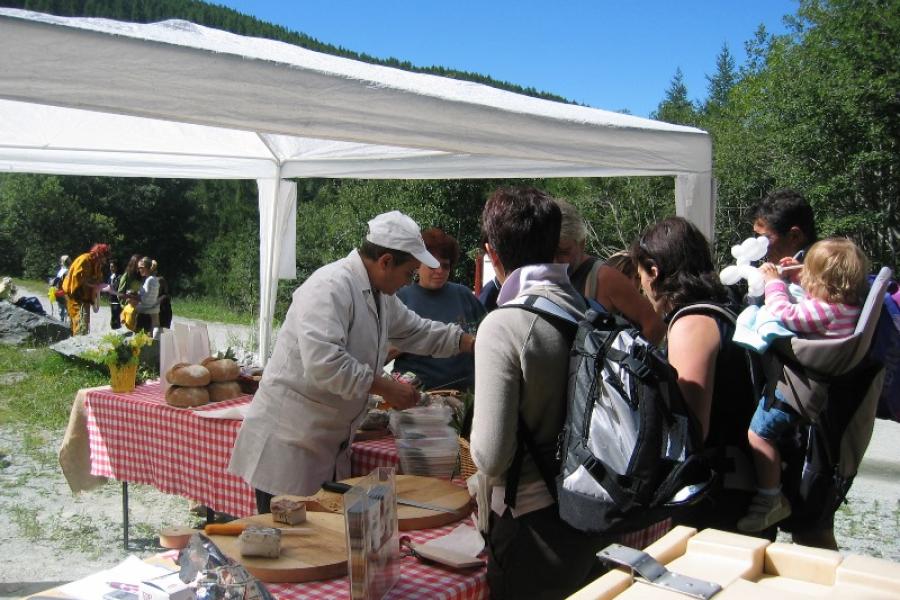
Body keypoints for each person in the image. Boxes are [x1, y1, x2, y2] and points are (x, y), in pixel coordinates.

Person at [228, 211, 475, 512]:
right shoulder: (329, 286)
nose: (409, 281)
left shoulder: (381, 294)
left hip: (325, 446)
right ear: (385, 261)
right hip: (289, 446)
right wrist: (384, 387)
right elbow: (325, 364)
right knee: (290, 549)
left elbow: (415, 330)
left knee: (320, 544)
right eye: (409, 272)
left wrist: (468, 342)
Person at [471, 187, 608, 599]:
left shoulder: (504, 324)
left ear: (492, 253)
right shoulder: (585, 310)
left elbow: (491, 455)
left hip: (530, 525)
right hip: (586, 510)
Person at [633, 217, 759, 533]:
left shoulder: (692, 322)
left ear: (654, 270)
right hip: (739, 483)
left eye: (641, 278)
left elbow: (690, 428)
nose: (643, 289)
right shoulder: (724, 307)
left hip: (716, 497)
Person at [737, 238, 869, 533]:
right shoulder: (847, 307)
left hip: (795, 393)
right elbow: (813, 300)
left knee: (758, 435)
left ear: (824, 284)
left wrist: (773, 282)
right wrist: (798, 275)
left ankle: (770, 499)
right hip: (812, 395)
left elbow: (786, 312)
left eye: (810, 276)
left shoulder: (827, 312)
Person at [554, 199, 665, 345]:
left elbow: (654, 325)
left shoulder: (604, 278)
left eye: (563, 252)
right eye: (550, 251)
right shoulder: (540, 275)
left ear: (582, 243)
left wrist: (628, 365)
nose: (555, 260)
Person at [393, 227, 485, 391]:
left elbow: (487, 338)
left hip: (464, 394)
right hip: (416, 397)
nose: (439, 271)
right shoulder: (399, 299)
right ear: (417, 264)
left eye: (445, 266)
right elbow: (375, 354)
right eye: (432, 265)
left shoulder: (464, 295)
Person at [752, 188, 817, 263]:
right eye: (756, 236)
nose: (758, 245)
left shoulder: (823, 269)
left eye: (764, 238)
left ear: (794, 237)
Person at [61, 243, 111, 335]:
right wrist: (94, 284)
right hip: (75, 295)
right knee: (78, 321)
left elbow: (97, 278)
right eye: (104, 257)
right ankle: (77, 343)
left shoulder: (97, 263)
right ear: (98, 254)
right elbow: (78, 280)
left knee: (85, 323)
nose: (104, 260)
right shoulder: (84, 260)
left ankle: (83, 340)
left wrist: (100, 285)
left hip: (86, 297)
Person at [133, 257, 160, 334]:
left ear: (148, 267)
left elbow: (145, 299)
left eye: (141, 267)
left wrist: (133, 297)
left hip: (144, 314)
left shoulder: (149, 280)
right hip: (149, 313)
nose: (139, 270)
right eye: (138, 268)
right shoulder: (153, 279)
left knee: (138, 341)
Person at [49, 254, 70, 323]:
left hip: (60, 292)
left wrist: (51, 284)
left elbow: (55, 281)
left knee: (61, 309)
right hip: (67, 292)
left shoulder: (62, 270)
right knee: (68, 309)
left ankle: (62, 322)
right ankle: (67, 323)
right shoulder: (69, 270)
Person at [107, 259, 121, 329]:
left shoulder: (119, 277)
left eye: (112, 267)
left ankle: (116, 330)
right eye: (110, 267)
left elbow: (115, 287)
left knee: (115, 317)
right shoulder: (111, 276)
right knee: (114, 315)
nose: (111, 268)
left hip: (117, 300)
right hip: (111, 299)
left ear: (116, 267)